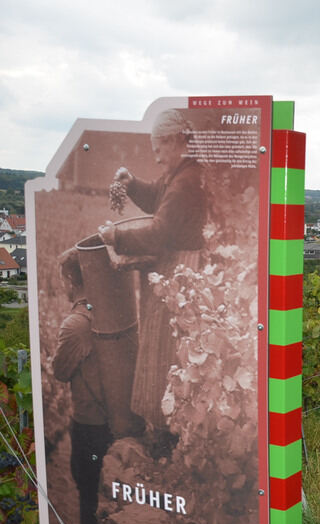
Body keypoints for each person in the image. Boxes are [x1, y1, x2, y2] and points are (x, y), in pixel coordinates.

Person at [97, 108, 207, 454]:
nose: (156, 156)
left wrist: (117, 236)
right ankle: (161, 430)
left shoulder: (188, 180)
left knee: (164, 350)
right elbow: (158, 197)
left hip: (178, 270)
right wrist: (130, 185)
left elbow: (160, 230)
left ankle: (164, 435)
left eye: (159, 147)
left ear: (176, 141)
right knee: (160, 347)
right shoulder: (179, 173)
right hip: (173, 269)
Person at [51, 248, 112, 524]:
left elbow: (60, 371)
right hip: (112, 417)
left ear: (72, 280)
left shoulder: (75, 323)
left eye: (63, 280)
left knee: (85, 481)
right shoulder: (106, 312)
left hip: (89, 421)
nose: (62, 287)